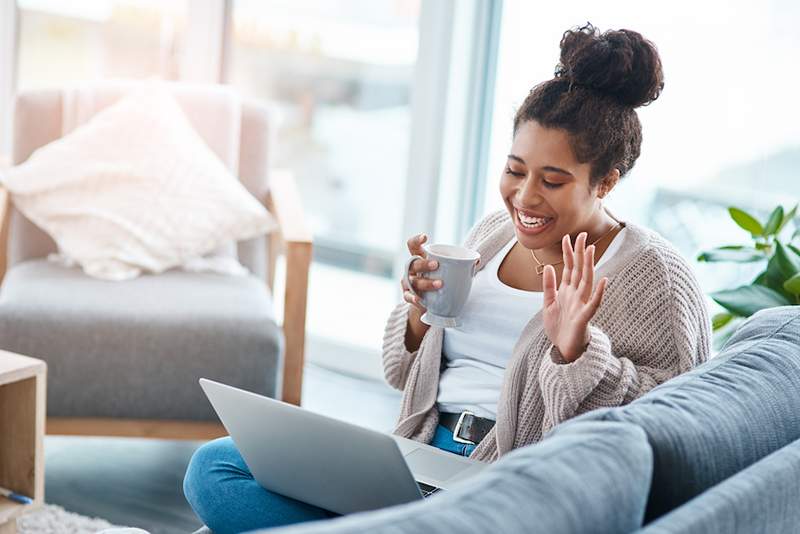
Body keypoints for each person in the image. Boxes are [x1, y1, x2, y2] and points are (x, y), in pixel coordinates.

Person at [182, 22, 711, 533]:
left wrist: (576, 353)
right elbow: (399, 373)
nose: (525, 197)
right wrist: (417, 313)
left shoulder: (654, 277)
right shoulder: (491, 234)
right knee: (217, 469)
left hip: (511, 487)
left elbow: (673, 434)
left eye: (552, 180)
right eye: (515, 169)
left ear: (606, 181)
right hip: (418, 457)